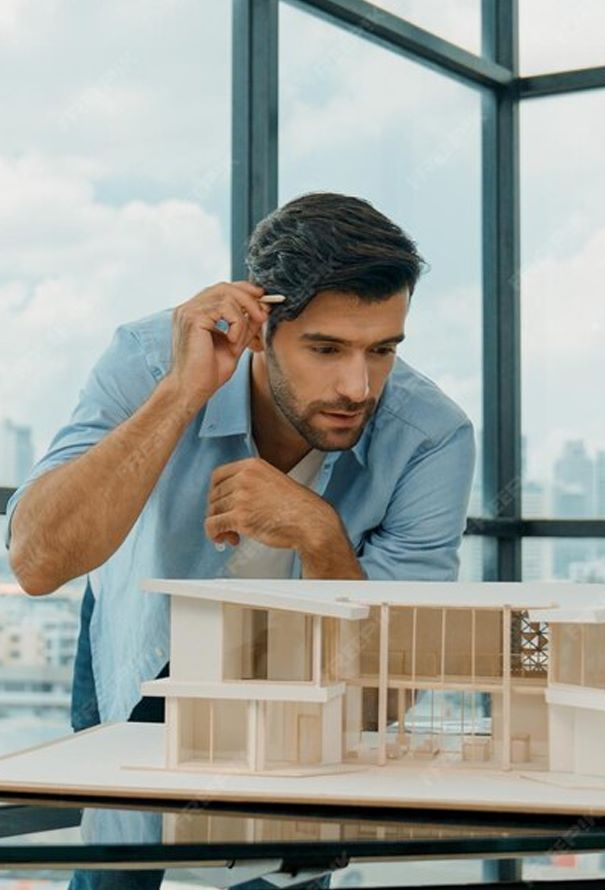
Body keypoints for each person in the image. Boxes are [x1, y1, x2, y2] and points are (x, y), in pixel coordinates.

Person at [5, 191, 475, 888]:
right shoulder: (146, 358)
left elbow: (383, 696)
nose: (358, 386)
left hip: (301, 679)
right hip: (139, 642)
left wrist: (319, 535)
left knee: (290, 868)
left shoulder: (432, 437)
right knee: (115, 871)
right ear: (259, 328)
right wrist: (179, 395)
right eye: (325, 349)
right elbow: (37, 563)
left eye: (382, 351)